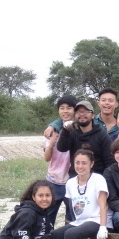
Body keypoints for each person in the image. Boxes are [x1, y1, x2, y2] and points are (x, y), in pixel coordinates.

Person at [50, 149, 109, 239]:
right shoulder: (70, 183)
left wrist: (103, 227)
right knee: (53, 235)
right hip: (80, 222)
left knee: (70, 234)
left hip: (96, 220)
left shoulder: (98, 179)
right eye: (77, 163)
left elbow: (103, 205)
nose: (80, 166)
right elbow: (73, 208)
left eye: (84, 163)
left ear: (91, 164)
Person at [56, 100, 114, 177]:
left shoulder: (102, 135)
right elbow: (61, 148)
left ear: (93, 115)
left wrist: (104, 180)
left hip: (97, 178)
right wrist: (65, 131)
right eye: (78, 112)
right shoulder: (72, 133)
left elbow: (110, 162)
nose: (82, 114)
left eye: (86, 111)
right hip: (75, 178)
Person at [43, 95, 76, 226]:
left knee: (72, 218)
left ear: (75, 110)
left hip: (72, 180)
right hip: (53, 180)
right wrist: (51, 143)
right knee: (48, 217)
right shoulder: (53, 131)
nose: (65, 111)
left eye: (69, 108)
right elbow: (47, 158)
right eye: (62, 108)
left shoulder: (78, 128)